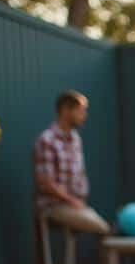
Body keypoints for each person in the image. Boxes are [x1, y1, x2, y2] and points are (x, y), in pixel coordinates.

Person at [33, 90, 110, 247]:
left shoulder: (75, 139)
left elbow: (79, 174)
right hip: (53, 205)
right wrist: (72, 200)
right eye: (81, 110)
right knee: (103, 228)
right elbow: (46, 182)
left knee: (108, 229)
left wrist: (79, 200)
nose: (85, 115)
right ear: (66, 110)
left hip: (76, 204)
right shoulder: (47, 140)